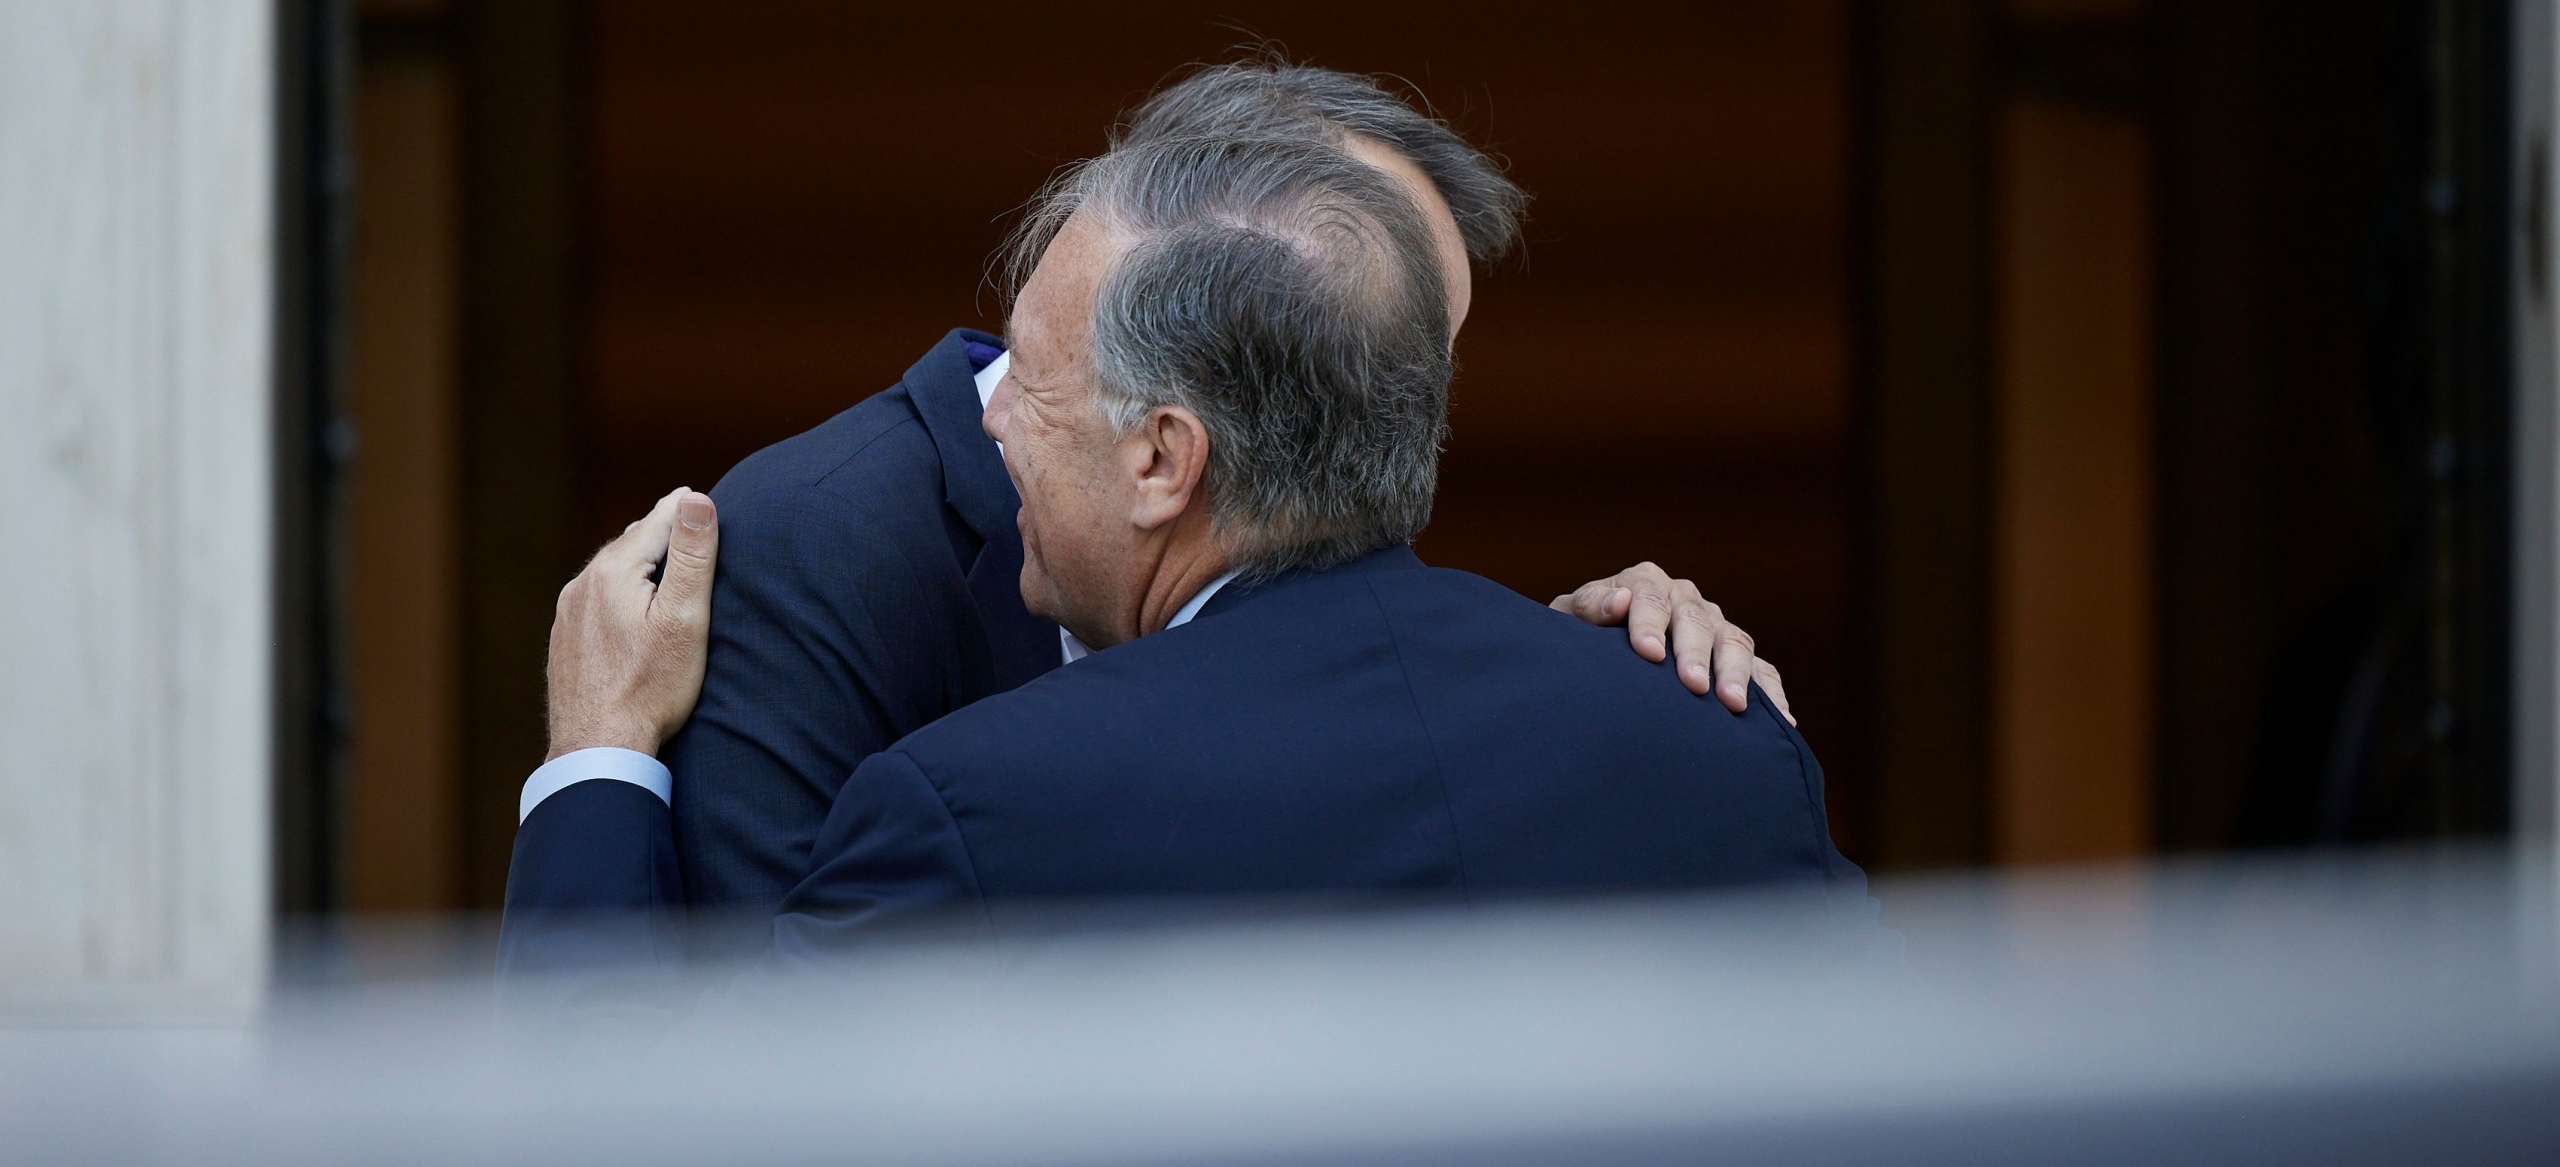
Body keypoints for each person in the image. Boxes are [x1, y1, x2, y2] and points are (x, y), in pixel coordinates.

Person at [502, 129, 1864, 971]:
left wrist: (595, 767)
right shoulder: (1721, 743)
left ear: (1163, 459)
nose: (993, 422)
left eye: (1033, 383)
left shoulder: (970, 819)